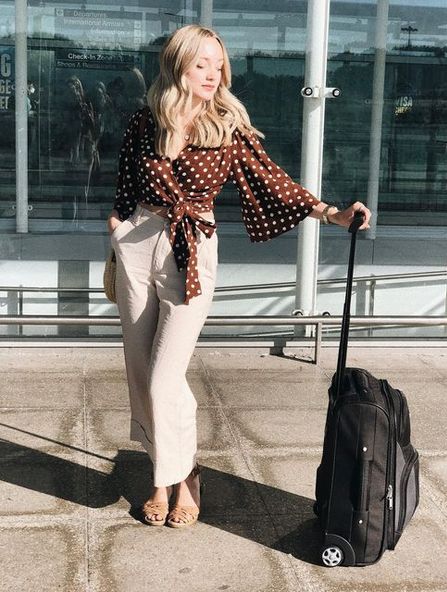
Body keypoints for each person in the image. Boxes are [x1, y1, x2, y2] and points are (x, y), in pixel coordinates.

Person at [107, 24, 371, 529]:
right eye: (201, 63)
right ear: (178, 65)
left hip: (193, 249)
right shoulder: (146, 122)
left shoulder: (226, 125)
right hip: (139, 242)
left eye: (218, 64)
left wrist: (331, 212)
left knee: (165, 377)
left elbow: (273, 181)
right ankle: (161, 480)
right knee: (140, 373)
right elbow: (124, 183)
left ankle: (188, 476)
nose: (212, 73)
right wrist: (117, 231)